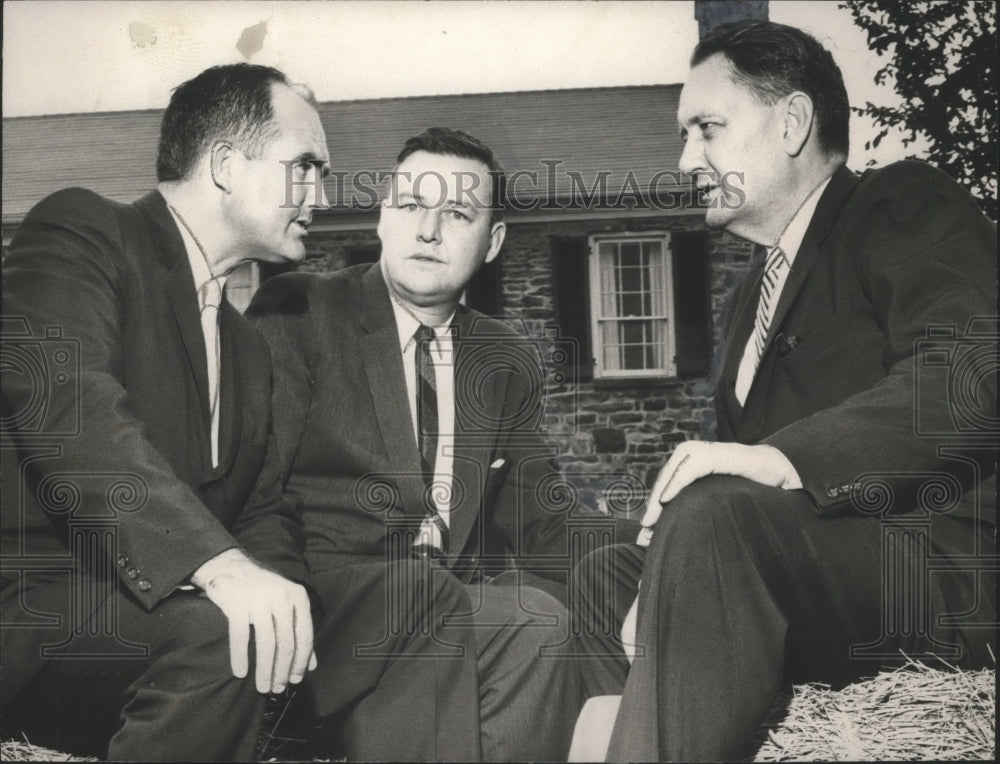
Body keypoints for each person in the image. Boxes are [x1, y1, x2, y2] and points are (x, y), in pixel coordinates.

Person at [573, 20, 997, 762]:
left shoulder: (902, 206)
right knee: (608, 569)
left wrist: (782, 458)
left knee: (711, 523)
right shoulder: (749, 300)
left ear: (794, 121)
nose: (684, 159)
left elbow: (967, 378)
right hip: (810, 570)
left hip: (930, 571)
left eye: (706, 128)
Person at [1, 63, 329, 761]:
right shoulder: (82, 232)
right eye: (303, 166)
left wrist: (279, 597)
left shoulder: (247, 346)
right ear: (224, 164)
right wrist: (220, 568)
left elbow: (262, 509)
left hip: (147, 619)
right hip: (29, 612)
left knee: (252, 634)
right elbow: (73, 414)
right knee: (217, 637)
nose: (321, 197)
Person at [246, 127, 598, 761]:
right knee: (529, 624)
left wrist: (656, 557)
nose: (429, 230)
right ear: (383, 214)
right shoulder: (298, 310)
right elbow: (254, 488)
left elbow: (541, 518)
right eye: (411, 206)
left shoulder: (504, 355)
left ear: (491, 244)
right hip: (331, 611)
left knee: (555, 620)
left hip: (448, 611)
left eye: (457, 213)